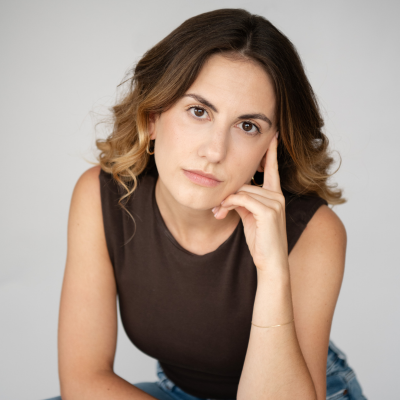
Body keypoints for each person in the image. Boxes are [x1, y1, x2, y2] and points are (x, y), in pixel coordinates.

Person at [45, 8, 368, 400]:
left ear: (270, 149)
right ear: (152, 115)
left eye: (247, 126)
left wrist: (272, 270)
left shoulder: (313, 231)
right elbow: (83, 381)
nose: (215, 151)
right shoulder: (104, 196)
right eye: (199, 111)